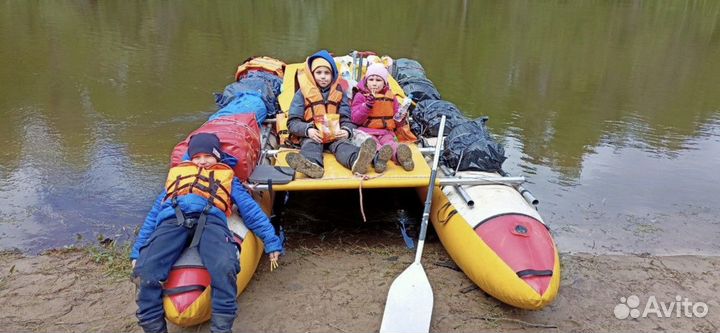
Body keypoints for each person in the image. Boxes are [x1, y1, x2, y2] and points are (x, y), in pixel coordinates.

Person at [130, 133, 283, 333]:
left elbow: (250, 211)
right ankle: (154, 327)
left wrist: (271, 241)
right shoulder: (177, 176)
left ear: (218, 156)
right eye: (197, 157)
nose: (202, 162)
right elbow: (152, 217)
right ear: (190, 159)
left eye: (208, 156)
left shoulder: (228, 178)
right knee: (145, 270)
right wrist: (137, 251)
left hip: (211, 220)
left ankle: (221, 329)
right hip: (172, 221)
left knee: (225, 265)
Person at [286, 49, 376, 179]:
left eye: (327, 73)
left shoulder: (339, 92)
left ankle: (357, 160)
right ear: (312, 74)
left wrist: (346, 131)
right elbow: (292, 122)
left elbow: (347, 118)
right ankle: (311, 166)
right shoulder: (302, 93)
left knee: (343, 146)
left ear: (332, 74)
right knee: (311, 145)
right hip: (313, 135)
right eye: (319, 72)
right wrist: (308, 130)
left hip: (335, 135)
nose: (323, 76)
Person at [351, 63, 414, 173]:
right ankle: (380, 159)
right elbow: (355, 119)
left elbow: (397, 124)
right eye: (371, 79)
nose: (374, 83)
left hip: (385, 132)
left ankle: (401, 157)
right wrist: (367, 105)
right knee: (371, 144)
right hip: (366, 131)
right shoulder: (360, 96)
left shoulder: (391, 97)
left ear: (384, 82)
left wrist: (401, 116)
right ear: (366, 81)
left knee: (390, 143)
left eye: (378, 80)